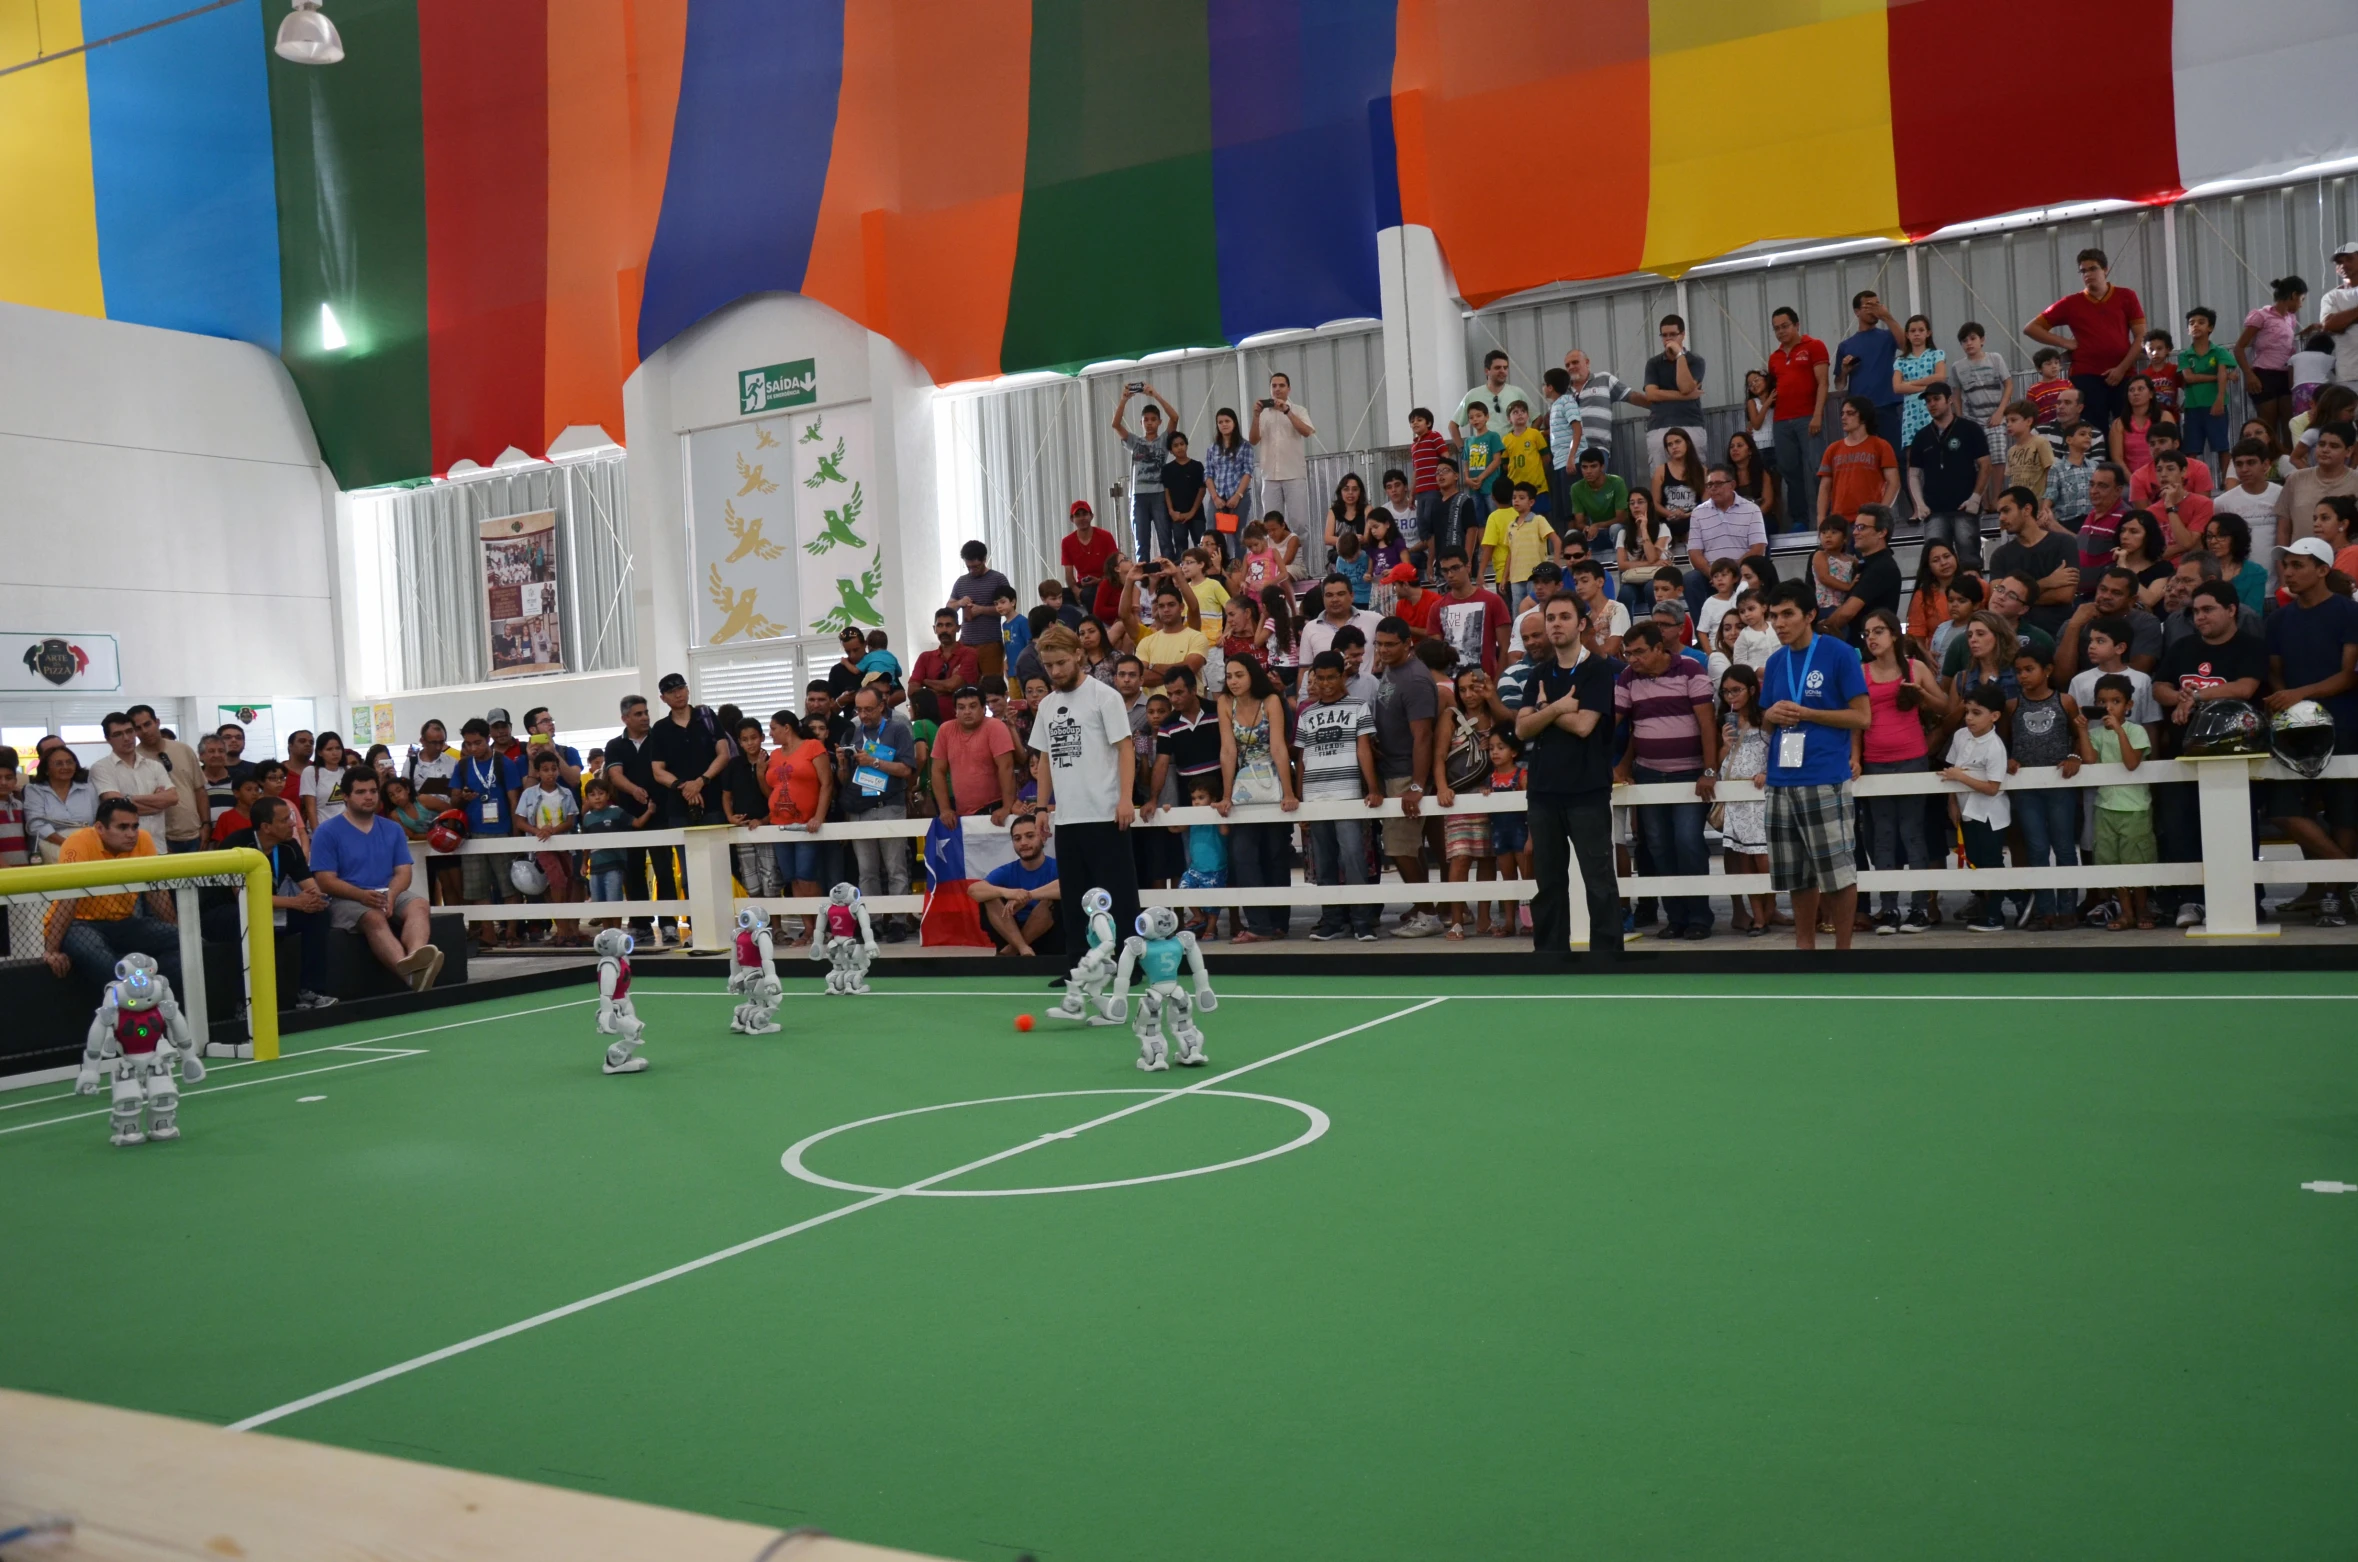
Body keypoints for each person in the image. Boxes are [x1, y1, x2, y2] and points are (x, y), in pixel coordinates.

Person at [1759, 579, 1871, 950]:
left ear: (1810, 615)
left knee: (1837, 872)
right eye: (1773, 615)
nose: (1779, 623)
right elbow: (1765, 724)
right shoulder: (1775, 662)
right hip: (1781, 778)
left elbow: (1862, 717)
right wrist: (1771, 716)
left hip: (1825, 776)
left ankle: (1843, 951)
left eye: (1787, 614)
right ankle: (1803, 948)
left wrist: (1809, 713)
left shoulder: (1839, 653)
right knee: (1797, 874)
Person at [1027, 625, 1140, 968]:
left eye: (1061, 662)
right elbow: (1045, 757)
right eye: (1049, 665)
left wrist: (1125, 799)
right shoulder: (1046, 705)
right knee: (1074, 897)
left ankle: (1127, 963)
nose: (1056, 671)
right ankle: (1078, 965)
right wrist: (1043, 807)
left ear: (1078, 655)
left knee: (1118, 896)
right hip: (1068, 816)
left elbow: (1125, 748)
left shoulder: (1105, 696)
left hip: (1105, 812)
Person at [1516, 593, 1620, 959]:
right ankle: (1550, 955)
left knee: (1599, 879)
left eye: (1564, 617)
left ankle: (1608, 955)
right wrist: (1556, 706)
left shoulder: (1599, 670)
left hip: (1587, 790)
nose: (1555, 623)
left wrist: (1543, 711)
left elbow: (1584, 725)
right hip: (1543, 792)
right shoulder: (1539, 673)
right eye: (1550, 617)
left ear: (1581, 624)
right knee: (1549, 882)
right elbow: (1522, 730)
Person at [2263, 537, 2358, 918]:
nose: (2288, 572)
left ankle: (2329, 893)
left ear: (2323, 570)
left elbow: (2348, 675)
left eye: (2298, 565)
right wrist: (2290, 702)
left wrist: (2297, 696)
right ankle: (2347, 878)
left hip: (2345, 722)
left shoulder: (2348, 613)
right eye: (2286, 565)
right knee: (2284, 807)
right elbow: (2273, 673)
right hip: (2294, 731)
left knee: (2344, 810)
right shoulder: (2278, 618)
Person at [1612, 621, 1718, 940]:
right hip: (1647, 773)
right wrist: (1622, 766)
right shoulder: (1628, 677)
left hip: (1689, 773)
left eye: (1639, 652)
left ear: (1660, 648)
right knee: (1657, 846)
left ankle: (1699, 917)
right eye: (1627, 653)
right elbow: (1614, 722)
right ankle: (1675, 917)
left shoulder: (1690, 669)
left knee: (1687, 843)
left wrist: (1709, 770)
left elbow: (1707, 724)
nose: (1632, 659)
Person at [308, 769, 440, 990]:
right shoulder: (326, 832)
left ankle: (417, 958)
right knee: (374, 918)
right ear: (345, 796)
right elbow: (325, 881)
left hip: (387, 891)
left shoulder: (392, 828)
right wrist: (362, 895)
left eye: (372, 791)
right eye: (360, 792)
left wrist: (391, 895)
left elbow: (403, 872)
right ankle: (409, 976)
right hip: (346, 898)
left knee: (419, 904)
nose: (369, 797)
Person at [1857, 608, 1943, 933]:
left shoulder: (1915, 667)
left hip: (1912, 758)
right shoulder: (1861, 671)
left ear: (1894, 634)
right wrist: (1856, 758)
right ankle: (1889, 908)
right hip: (1875, 760)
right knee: (1883, 834)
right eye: (1867, 633)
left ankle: (1919, 908)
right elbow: (1856, 721)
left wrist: (1921, 695)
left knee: (1912, 831)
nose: (1872, 638)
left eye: (1878, 631)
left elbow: (1946, 706)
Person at [42, 798, 182, 990]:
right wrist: (51, 950)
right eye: (123, 827)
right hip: (79, 923)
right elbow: (68, 899)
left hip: (123, 922)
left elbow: (156, 894)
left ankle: (154, 992)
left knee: (182, 939)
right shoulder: (78, 841)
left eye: (134, 826)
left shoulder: (144, 839)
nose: (131, 834)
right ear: (100, 828)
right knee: (99, 957)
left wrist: (174, 928)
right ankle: (132, 999)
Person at [1292, 651, 1382, 942]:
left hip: (1348, 794)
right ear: (1313, 679)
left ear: (1343, 676)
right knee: (1324, 861)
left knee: (1354, 856)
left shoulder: (1358, 707)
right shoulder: (1307, 713)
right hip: (1316, 797)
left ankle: (1362, 920)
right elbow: (1302, 759)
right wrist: (1300, 798)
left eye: (1333, 677)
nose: (1327, 683)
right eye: (1321, 678)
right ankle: (1331, 920)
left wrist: (1372, 787)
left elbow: (1364, 749)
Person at [1212, 654, 1297, 942]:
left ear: (1252, 676)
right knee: (1243, 853)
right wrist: (1226, 796)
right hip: (1244, 787)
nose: (1233, 681)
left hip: (1273, 782)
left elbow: (1278, 748)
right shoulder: (1225, 702)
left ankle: (1278, 924)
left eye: (1239, 675)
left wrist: (1288, 793)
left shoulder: (1271, 701)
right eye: (1229, 676)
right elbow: (1227, 751)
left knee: (1275, 853)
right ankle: (1258, 925)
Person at [1367, 617, 1441, 937]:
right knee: (1410, 848)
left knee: (1398, 848)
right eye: (1379, 644)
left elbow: (1423, 736)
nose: (1383, 650)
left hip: (1405, 775)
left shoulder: (1415, 679)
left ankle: (1428, 914)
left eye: (1390, 644)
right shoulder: (1393, 669)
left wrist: (1416, 785)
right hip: (1392, 769)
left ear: (1408, 642)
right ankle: (1424, 904)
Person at [2026, 248, 2147, 437]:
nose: (2088, 274)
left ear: (2105, 270)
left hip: (2123, 374)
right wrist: (2065, 343)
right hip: (2087, 375)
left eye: (2093, 269)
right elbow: (2031, 328)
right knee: (2093, 431)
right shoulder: (2071, 303)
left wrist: (2122, 368)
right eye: (2083, 271)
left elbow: (2141, 337)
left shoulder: (2126, 296)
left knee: (2126, 429)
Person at [2008, 644, 2084, 930]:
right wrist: (2009, 759)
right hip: (2027, 789)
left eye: (2029, 670)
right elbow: (2005, 741)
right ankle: (2044, 911)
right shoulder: (2013, 706)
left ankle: (2067, 910)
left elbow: (2078, 735)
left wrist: (2075, 756)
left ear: (2048, 671)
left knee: (2064, 846)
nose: (2023, 676)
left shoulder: (2065, 702)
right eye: (2018, 671)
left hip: (2059, 785)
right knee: (2036, 847)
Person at [2073, 674, 2156, 930]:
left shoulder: (2136, 731)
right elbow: (2089, 760)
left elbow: (2132, 762)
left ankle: (2143, 909)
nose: (2108, 707)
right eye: (2102, 701)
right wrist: (2082, 731)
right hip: (2105, 806)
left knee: (2137, 861)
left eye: (2116, 701)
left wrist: (2119, 730)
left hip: (2135, 808)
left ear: (2128, 706)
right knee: (2113, 862)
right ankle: (2126, 911)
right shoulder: (2096, 733)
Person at [837, 685, 917, 939]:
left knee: (896, 867)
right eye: (859, 709)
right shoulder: (853, 733)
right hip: (861, 808)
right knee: (867, 871)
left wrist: (873, 761)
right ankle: (869, 921)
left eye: (869, 709)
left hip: (891, 806)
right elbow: (846, 779)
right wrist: (841, 764)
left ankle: (898, 920)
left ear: (882, 705)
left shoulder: (898, 729)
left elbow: (907, 770)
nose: (863, 715)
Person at [1940, 685, 2014, 933]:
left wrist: (1961, 777)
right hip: (1965, 811)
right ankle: (1986, 907)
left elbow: (1993, 787)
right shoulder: (1961, 736)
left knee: (1991, 861)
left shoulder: (1995, 746)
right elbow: (1951, 771)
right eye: (1967, 711)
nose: (1969, 717)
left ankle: (1996, 913)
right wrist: (1952, 802)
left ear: (1994, 716)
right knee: (1974, 860)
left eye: (1977, 712)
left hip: (1989, 814)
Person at [1907, 382, 1992, 560]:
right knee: (1937, 562)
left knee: (1969, 560)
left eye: (1937, 399)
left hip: (1964, 507)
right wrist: (1920, 504)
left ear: (1950, 400)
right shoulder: (1921, 436)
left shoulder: (1970, 429)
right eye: (1928, 401)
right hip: (1934, 510)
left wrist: (1975, 498)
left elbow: (1985, 465)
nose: (1932, 404)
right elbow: (1913, 474)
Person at [1768, 305, 1831, 526]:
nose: (1781, 331)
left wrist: (1817, 415)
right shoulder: (1774, 357)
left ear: (1796, 325)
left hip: (1807, 417)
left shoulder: (1814, 346)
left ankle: (1826, 520)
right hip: (1781, 421)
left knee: (1817, 468)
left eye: (1785, 326)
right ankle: (1800, 520)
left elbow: (1823, 382)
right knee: (1789, 471)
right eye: (1776, 328)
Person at [1987, 486, 2078, 638]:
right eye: (1999, 513)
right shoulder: (2000, 555)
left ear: (2027, 509)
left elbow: (2065, 594)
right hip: (2012, 638)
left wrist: (2014, 599)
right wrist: (2047, 583)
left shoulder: (2064, 543)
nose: (2001, 518)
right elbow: (1996, 595)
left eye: (2006, 510)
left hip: (2058, 634)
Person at [968, 812, 1060, 957]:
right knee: (989, 897)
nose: (1023, 843)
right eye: (1017, 838)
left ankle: (1011, 951)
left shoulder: (1056, 867)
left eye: (1030, 836)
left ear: (1043, 837)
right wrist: (1007, 893)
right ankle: (1022, 948)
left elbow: (1068, 886)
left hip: (1050, 936)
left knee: (1051, 901)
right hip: (1010, 932)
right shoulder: (1008, 870)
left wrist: (1027, 896)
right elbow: (974, 890)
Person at [931, 684, 1022, 825]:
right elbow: (937, 771)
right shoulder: (945, 730)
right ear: (955, 710)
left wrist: (1006, 806)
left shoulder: (996, 727)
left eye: (972, 706)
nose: (967, 711)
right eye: (961, 707)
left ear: (983, 708)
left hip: (994, 807)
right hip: (961, 812)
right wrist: (945, 809)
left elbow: (1006, 767)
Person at [2234, 274, 2307, 446]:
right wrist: (2249, 375)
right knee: (2268, 429)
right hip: (2264, 376)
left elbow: (2282, 340)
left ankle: (2290, 468)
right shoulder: (2262, 316)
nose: (2301, 304)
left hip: (2285, 376)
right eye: (2302, 299)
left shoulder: (2291, 319)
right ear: (2294, 295)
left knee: (2290, 426)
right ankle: (2267, 468)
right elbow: (2239, 348)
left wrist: (2306, 332)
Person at [123, 706, 205, 854]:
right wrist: (157, 842)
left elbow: (199, 789)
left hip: (194, 834)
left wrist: (206, 825)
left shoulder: (184, 749)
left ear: (157, 722)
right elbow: (136, 805)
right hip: (160, 838)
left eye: (148, 724)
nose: (145, 731)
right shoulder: (133, 760)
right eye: (138, 728)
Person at [89, 712, 175, 849]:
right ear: (107, 739)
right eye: (118, 734)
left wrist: (128, 799)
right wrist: (157, 801)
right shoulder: (101, 768)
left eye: (130, 731)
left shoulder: (154, 765)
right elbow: (117, 809)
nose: (126, 738)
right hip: (122, 849)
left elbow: (172, 797)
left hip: (157, 845)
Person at [1630, 314, 1705, 469]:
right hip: (1659, 425)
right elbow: (1651, 395)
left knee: (1695, 474)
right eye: (1664, 335)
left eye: (1673, 334)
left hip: (1690, 423)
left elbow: (1685, 386)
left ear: (1683, 335)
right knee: (1660, 474)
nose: (1668, 339)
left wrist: (1679, 355)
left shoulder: (1696, 361)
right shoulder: (1653, 363)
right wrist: (1685, 397)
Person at [1112, 382, 1179, 557]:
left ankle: (1169, 578)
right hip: (1138, 495)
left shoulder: (1164, 441)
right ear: (1141, 422)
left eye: (1153, 419)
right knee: (1141, 542)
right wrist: (1123, 400)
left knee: (1165, 538)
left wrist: (1155, 395)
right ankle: (1143, 580)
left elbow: (1175, 418)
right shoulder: (1135, 442)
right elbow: (1116, 425)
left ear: (1159, 422)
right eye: (1146, 420)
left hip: (1158, 494)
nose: (1149, 423)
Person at [1824, 504, 1904, 645]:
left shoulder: (1882, 567)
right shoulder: (1864, 564)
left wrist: (1821, 628)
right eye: (1855, 527)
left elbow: (1847, 613)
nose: (1855, 532)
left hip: (1871, 650)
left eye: (1861, 527)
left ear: (1881, 532)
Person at [1247, 371, 1315, 531]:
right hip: (1269, 476)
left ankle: (1301, 557)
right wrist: (1256, 416)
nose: (1277, 389)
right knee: (1271, 526)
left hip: (1294, 474)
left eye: (1281, 385)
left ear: (1289, 389)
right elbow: (1253, 440)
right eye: (1274, 386)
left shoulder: (1299, 410)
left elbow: (1307, 432)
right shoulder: (1263, 414)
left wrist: (1287, 412)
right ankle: (1276, 556)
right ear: (1270, 389)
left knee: (1299, 523)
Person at [1817, 396, 1900, 525]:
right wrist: (1821, 518)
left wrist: (1881, 513)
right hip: (1840, 521)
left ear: (1864, 416)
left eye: (1850, 413)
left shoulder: (1881, 446)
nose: (1843, 417)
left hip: (1869, 520)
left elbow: (1893, 482)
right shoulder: (1833, 449)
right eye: (1842, 413)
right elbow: (1824, 487)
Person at [1835, 290, 1903, 442]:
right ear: (1857, 311)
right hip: (1859, 411)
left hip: (1887, 405)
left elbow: (1906, 347)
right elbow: (1839, 385)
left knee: (1894, 454)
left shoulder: (1888, 336)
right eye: (1868, 306)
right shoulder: (1845, 346)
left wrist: (1887, 317)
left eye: (1877, 305)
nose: (1874, 310)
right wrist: (1845, 372)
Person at [1431, 548, 1511, 678]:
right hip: (1453, 681)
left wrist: (1498, 683)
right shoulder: (1436, 608)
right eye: (1445, 570)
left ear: (1468, 567)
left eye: (1455, 568)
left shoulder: (1493, 601)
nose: (1450, 575)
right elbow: (1437, 654)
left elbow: (1505, 648)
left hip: (1485, 679)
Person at [2276, 421, 2357, 548]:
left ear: (2348, 451)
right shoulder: (2296, 479)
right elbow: (2283, 529)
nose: (2325, 450)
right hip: (2300, 562)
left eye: (2334, 446)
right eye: (2321, 444)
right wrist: (2282, 565)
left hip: (2346, 563)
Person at [946, 540, 1018, 680]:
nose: (972, 570)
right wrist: (960, 602)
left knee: (992, 685)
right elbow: (949, 607)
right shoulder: (961, 582)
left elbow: (1010, 608)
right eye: (969, 567)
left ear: (984, 559)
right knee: (966, 685)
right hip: (966, 643)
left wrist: (981, 610)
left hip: (990, 644)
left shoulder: (998, 579)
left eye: (976, 566)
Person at [26, 740, 97, 864]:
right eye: (58, 764)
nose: (65, 767)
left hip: (87, 846)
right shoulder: (34, 790)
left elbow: (98, 820)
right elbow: (36, 824)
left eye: (69, 762)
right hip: (51, 848)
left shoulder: (89, 789)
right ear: (46, 769)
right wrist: (67, 844)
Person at [1450, 350, 1535, 446]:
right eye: (1498, 367)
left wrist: (1528, 440)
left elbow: (1537, 418)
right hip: (1485, 453)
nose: (1502, 371)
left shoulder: (1517, 393)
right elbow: (1453, 425)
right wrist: (1463, 451)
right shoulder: (1472, 395)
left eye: (1505, 368)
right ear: (1487, 371)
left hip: (1513, 451)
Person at [1298, 574, 1383, 668]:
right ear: (1323, 598)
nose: (1335, 599)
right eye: (1329, 595)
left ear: (1352, 596)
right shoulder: (1310, 628)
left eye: (1340, 594)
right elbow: (1304, 670)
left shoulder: (1374, 620)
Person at [1204, 408, 1256, 560]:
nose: (1224, 425)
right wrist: (1215, 497)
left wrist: (1237, 496)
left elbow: (1248, 473)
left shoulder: (1245, 446)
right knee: (1212, 533)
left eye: (1227, 421)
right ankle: (1214, 566)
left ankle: (1239, 567)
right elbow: (1208, 474)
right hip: (1217, 497)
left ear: (1234, 423)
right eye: (1220, 422)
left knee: (1239, 534)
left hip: (1239, 496)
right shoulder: (1212, 448)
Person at [1891, 313, 1948, 450]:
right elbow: (1897, 387)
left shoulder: (1936, 354)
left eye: (1921, 330)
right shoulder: (1901, 361)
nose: (1917, 334)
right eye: (1913, 331)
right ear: (1907, 335)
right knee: (1913, 454)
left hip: (1933, 410)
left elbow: (1940, 377)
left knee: (1937, 449)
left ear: (1928, 333)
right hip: (1911, 414)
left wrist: (1910, 384)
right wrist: (1926, 387)